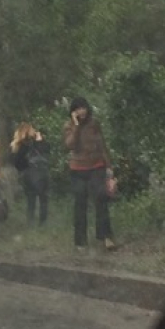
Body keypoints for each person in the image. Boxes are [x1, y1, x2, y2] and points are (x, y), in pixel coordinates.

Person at [63, 96, 117, 251]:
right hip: (77, 169)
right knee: (80, 204)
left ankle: (106, 236)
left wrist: (109, 166)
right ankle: (80, 241)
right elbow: (70, 144)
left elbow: (102, 144)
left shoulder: (94, 123)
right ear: (73, 111)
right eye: (78, 109)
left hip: (96, 165)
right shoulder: (69, 126)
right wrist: (76, 125)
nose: (82, 111)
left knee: (101, 198)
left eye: (84, 107)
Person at [11, 122, 50, 226]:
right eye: (32, 129)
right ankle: (42, 222)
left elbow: (16, 162)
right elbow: (46, 152)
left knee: (31, 200)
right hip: (39, 172)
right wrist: (40, 141)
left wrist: (23, 170)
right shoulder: (34, 143)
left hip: (26, 174)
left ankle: (30, 221)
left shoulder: (19, 144)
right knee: (43, 198)